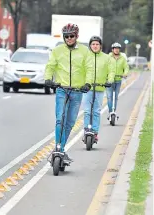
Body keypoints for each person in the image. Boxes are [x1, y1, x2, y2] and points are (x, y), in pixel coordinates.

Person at [45, 23, 93, 161]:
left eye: (72, 36)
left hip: (77, 91)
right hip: (61, 89)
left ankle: (60, 148)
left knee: (70, 122)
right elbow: (50, 66)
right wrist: (48, 79)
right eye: (66, 36)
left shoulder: (85, 51)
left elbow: (89, 69)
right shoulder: (57, 50)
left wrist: (88, 83)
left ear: (76, 36)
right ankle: (58, 148)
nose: (69, 38)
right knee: (60, 119)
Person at [83, 36, 115, 141]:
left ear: (100, 46)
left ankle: (95, 132)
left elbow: (111, 71)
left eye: (97, 44)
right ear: (90, 46)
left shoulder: (107, 58)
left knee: (96, 111)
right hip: (87, 88)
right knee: (87, 111)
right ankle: (86, 130)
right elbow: (80, 70)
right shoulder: (86, 57)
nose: (95, 46)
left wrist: (109, 81)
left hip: (100, 88)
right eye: (93, 44)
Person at [106, 42, 129, 116]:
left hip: (118, 80)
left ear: (119, 50)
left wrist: (125, 73)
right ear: (112, 49)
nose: (116, 50)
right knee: (109, 97)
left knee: (115, 97)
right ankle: (110, 112)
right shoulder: (108, 57)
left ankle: (113, 112)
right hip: (109, 80)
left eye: (118, 48)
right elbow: (104, 66)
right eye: (115, 48)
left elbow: (126, 67)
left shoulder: (122, 58)